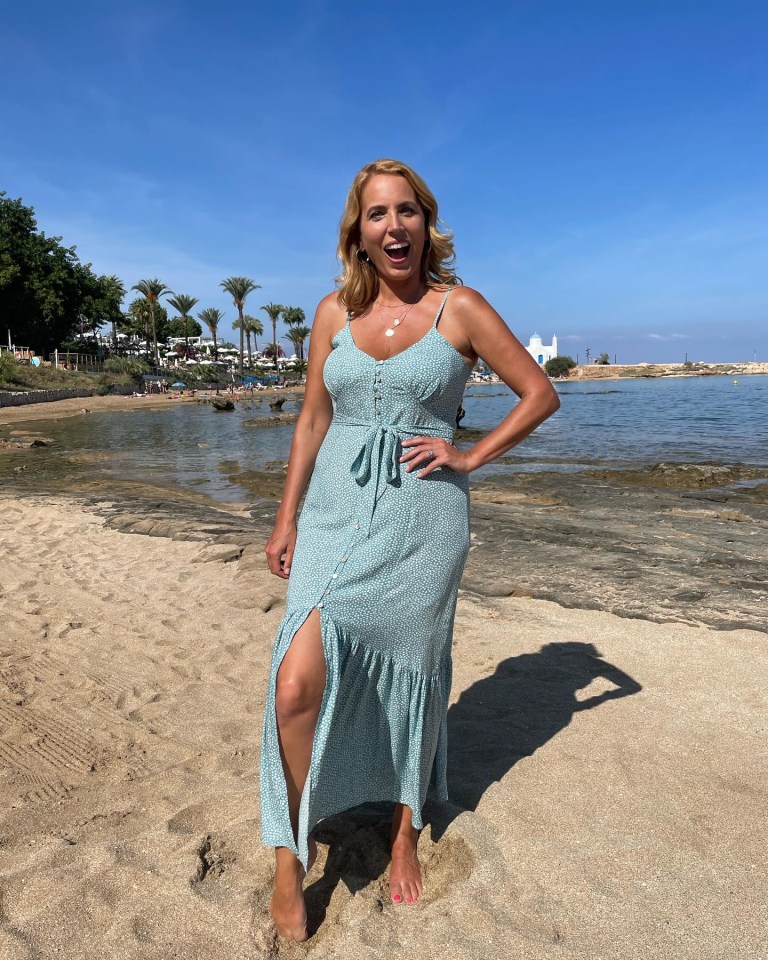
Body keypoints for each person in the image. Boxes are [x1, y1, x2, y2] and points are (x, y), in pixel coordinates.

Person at [261, 158, 560, 941]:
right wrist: (286, 517)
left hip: (421, 522)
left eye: (407, 212)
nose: (393, 227)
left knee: (416, 671)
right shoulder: (331, 314)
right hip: (331, 515)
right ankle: (289, 858)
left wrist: (466, 454)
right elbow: (312, 423)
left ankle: (402, 832)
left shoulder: (459, 308)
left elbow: (539, 394)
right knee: (296, 681)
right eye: (376, 215)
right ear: (357, 234)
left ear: (427, 224)